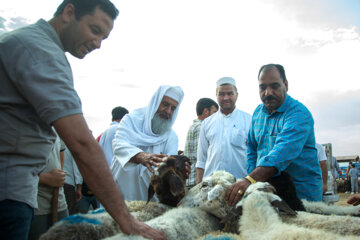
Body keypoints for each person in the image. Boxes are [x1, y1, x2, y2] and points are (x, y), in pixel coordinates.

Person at [0, 1, 166, 239]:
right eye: (95, 30)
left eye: (104, 38)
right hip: (7, 193)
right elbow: (82, 144)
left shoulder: (26, 42)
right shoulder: (41, 52)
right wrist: (127, 221)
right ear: (69, 12)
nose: (98, 44)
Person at [226, 64, 323, 206]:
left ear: (286, 85)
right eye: (263, 87)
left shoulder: (298, 114)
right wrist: (255, 182)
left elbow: (281, 154)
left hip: (301, 196)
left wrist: (250, 180)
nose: (268, 93)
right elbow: (252, 147)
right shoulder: (259, 113)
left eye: (274, 86)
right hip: (270, 193)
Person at [111, 85, 184, 201]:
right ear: (156, 102)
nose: (168, 111)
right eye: (165, 104)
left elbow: (168, 166)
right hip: (120, 193)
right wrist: (140, 156)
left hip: (150, 200)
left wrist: (180, 170)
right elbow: (118, 145)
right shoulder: (131, 120)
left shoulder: (171, 136)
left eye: (173, 108)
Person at [196, 77, 252, 183]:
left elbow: (254, 156)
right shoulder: (207, 123)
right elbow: (201, 160)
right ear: (216, 95)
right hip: (211, 185)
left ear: (237, 95)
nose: (226, 98)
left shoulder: (249, 120)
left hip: (239, 185)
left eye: (230, 93)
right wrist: (198, 186)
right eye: (221, 94)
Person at [28, 130, 67, 240]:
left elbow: (60, 161)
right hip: (34, 205)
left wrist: (57, 178)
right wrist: (46, 178)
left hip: (59, 202)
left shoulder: (57, 128)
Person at [184, 98, 218, 188]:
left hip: (191, 180)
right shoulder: (200, 128)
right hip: (196, 181)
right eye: (214, 112)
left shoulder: (194, 126)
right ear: (206, 111)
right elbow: (200, 156)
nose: (217, 116)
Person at [63, 148, 83, 215]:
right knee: (69, 213)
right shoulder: (69, 144)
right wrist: (79, 187)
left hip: (52, 181)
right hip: (67, 183)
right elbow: (76, 166)